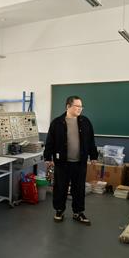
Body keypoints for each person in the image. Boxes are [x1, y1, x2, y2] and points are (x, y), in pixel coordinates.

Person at [43, 95, 98, 224]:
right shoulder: (57, 123)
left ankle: (78, 213)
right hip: (62, 163)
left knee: (79, 189)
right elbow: (50, 141)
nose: (80, 109)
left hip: (80, 163)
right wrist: (47, 157)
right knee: (60, 188)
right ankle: (59, 210)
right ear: (68, 106)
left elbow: (91, 140)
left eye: (81, 106)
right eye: (77, 106)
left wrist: (93, 155)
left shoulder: (85, 122)